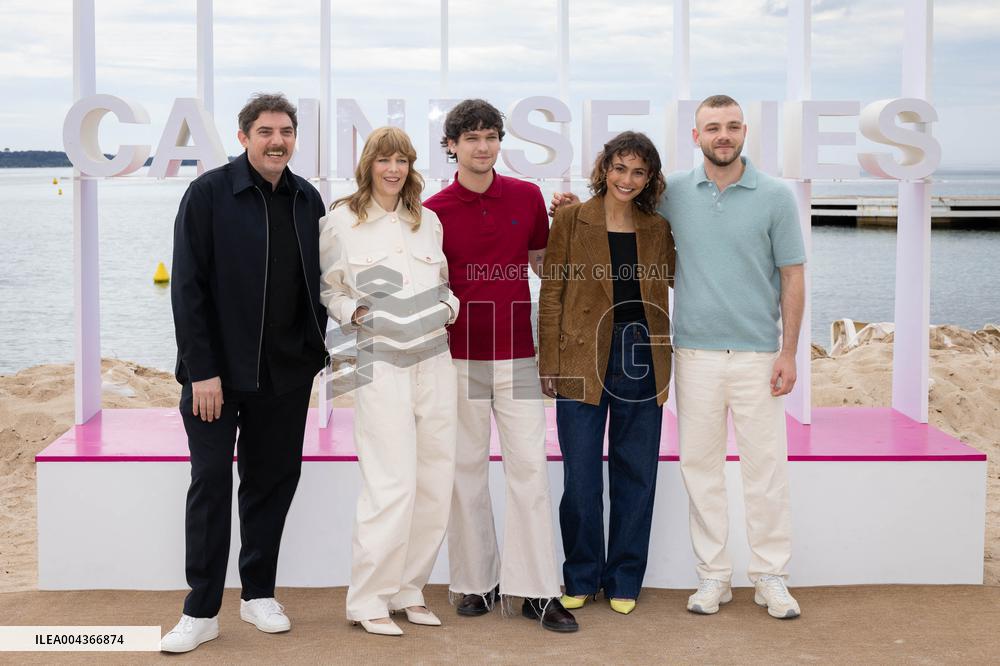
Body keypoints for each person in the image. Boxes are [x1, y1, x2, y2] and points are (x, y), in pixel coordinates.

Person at [551, 94, 806, 620]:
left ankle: (763, 576)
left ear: (743, 132)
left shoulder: (761, 199)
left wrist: (789, 351)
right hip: (662, 355)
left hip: (718, 355)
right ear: (697, 136)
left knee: (744, 471)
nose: (724, 135)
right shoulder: (647, 205)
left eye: (733, 126)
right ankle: (694, 576)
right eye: (713, 126)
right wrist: (568, 206)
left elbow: (792, 275)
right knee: (669, 472)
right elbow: (565, 270)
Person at [161, 93, 329, 653]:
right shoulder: (208, 193)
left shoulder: (309, 199)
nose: (276, 140)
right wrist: (201, 370)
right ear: (243, 137)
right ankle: (200, 609)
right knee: (210, 484)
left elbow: (321, 282)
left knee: (272, 482)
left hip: (286, 373)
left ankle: (258, 594)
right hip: (218, 376)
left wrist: (315, 351)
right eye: (264, 131)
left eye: (285, 131)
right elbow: (187, 287)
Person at [423, 99, 578, 632]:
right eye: (471, 138)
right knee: (464, 472)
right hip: (457, 357)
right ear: (452, 146)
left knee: (529, 471)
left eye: (490, 136)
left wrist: (571, 222)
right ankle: (474, 582)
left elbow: (543, 265)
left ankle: (536, 591)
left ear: (499, 141)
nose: (482, 146)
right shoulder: (433, 209)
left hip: (517, 354)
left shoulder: (527, 195)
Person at [318, 126, 459, 637]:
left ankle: (408, 590)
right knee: (389, 481)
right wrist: (353, 309)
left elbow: (443, 281)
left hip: (435, 360)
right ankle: (368, 598)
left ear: (411, 166)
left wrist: (449, 307)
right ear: (369, 164)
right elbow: (327, 288)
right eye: (385, 160)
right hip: (378, 362)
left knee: (435, 479)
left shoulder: (429, 221)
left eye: (402, 160)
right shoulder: (340, 222)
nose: (393, 169)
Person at [538, 131, 674, 616]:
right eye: (620, 168)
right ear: (604, 168)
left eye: (639, 171)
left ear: (650, 178)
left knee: (636, 471)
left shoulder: (658, 226)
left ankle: (624, 577)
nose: (627, 179)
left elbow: (676, 278)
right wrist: (548, 362)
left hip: (643, 354)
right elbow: (551, 291)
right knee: (580, 476)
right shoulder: (573, 219)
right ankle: (580, 574)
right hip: (579, 355)